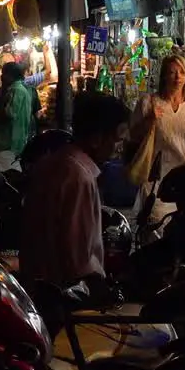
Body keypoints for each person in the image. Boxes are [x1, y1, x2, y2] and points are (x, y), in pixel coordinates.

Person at [20, 91, 131, 287]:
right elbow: (79, 259)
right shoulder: (80, 177)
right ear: (97, 138)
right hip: (63, 297)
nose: (120, 147)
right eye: (117, 138)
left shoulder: (54, 163)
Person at [129, 55, 185, 234]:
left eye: (182, 72)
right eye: (172, 72)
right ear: (164, 76)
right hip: (157, 182)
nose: (177, 77)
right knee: (157, 233)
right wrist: (149, 120)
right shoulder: (149, 102)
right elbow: (133, 136)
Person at [0, 62, 37, 172]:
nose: (1, 76)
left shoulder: (15, 90)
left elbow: (9, 114)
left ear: (11, 75)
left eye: (4, 74)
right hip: (16, 142)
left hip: (8, 143)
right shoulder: (23, 89)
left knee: (3, 177)